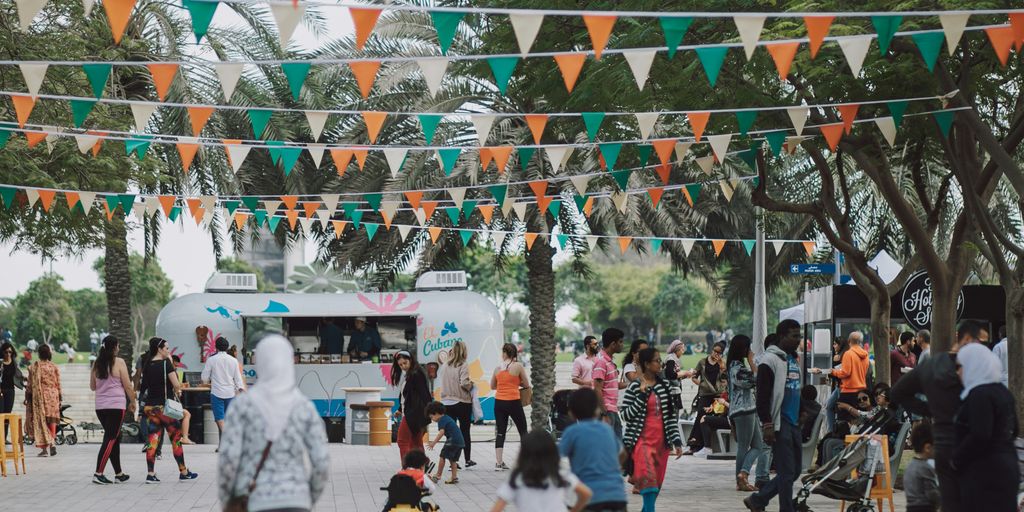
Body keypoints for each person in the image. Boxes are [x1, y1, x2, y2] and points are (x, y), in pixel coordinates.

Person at [218, 335, 329, 512]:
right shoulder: (304, 407)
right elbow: (321, 462)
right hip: (297, 501)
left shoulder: (242, 406)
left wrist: (228, 501)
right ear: (290, 361)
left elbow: (228, 461)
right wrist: (308, 498)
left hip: (255, 501)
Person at [891, 320, 984, 512]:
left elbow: (897, 393)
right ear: (966, 339)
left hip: (943, 442)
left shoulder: (931, 366)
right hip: (970, 442)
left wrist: (929, 408)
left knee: (950, 500)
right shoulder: (974, 369)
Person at [743, 319, 803, 512]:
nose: (798, 340)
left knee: (795, 471)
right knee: (786, 473)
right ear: (782, 336)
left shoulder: (791, 359)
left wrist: (802, 413)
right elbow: (762, 396)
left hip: (794, 423)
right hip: (779, 422)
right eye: (794, 336)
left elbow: (795, 390)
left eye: (799, 335)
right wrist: (767, 423)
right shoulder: (769, 361)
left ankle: (758, 500)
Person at [952, 342, 1019, 510]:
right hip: (1007, 467)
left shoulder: (980, 395)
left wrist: (956, 458)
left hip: (985, 473)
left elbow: (980, 434)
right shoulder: (1002, 392)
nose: (958, 371)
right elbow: (1014, 429)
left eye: (960, 366)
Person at [620, 348, 683, 512]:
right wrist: (641, 396)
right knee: (649, 485)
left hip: (662, 444)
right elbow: (625, 415)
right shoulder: (634, 387)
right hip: (641, 443)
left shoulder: (665, 386)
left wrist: (676, 441)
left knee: (655, 487)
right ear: (647, 364)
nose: (660, 363)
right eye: (657, 360)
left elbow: (670, 417)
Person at [139, 337, 198, 483]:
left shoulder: (147, 364)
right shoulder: (166, 363)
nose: (168, 350)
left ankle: (151, 474)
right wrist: (178, 391)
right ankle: (183, 471)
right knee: (176, 439)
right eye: (166, 348)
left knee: (152, 440)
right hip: (165, 408)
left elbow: (143, 387)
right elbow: (176, 384)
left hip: (150, 407)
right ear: (159, 349)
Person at [560, 388, 627, 512]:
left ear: (571, 413)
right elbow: (622, 454)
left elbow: (556, 458)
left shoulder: (572, 432)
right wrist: (613, 468)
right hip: (617, 494)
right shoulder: (606, 429)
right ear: (597, 411)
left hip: (591, 497)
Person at [491, 430, 592, 512]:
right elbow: (586, 493)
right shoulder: (559, 473)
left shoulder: (517, 477)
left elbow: (497, 508)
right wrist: (575, 509)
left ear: (523, 453)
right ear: (552, 452)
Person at [90, 335, 136, 484]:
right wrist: (133, 401)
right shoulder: (119, 362)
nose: (119, 348)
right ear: (115, 347)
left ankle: (119, 473)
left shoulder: (97, 363)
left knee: (114, 439)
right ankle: (98, 473)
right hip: (116, 406)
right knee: (110, 438)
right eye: (118, 345)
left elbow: (92, 386)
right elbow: (128, 385)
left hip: (101, 407)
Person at [727, 335, 769, 491]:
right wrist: (752, 361)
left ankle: (742, 474)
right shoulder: (736, 367)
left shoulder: (734, 366)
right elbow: (756, 379)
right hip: (743, 410)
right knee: (744, 447)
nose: (750, 351)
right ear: (742, 349)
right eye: (748, 348)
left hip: (747, 409)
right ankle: (741, 480)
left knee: (758, 445)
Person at [491, 343, 530, 470]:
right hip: (513, 401)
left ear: (505, 353)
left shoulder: (497, 368)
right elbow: (526, 383)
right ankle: (525, 460)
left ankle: (498, 462)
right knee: (522, 430)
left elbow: (492, 386)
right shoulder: (518, 366)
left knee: (500, 432)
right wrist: (515, 383)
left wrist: (503, 385)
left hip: (499, 402)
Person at [202, 336, 246, 449]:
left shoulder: (211, 360)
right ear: (227, 347)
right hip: (230, 393)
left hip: (216, 393)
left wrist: (208, 379)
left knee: (219, 419)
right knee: (227, 419)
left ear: (216, 347)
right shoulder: (233, 360)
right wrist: (241, 390)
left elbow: (204, 378)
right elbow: (238, 378)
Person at [391, 350, 431, 465]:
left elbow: (424, 394)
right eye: (400, 364)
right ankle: (423, 465)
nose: (403, 366)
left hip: (413, 414)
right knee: (416, 442)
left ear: (411, 360)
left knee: (402, 441)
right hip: (413, 413)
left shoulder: (416, 374)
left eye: (405, 363)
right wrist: (400, 409)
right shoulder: (412, 373)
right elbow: (407, 395)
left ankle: (407, 468)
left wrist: (430, 412)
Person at [439, 341, 475, 468]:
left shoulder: (444, 365)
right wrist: (472, 385)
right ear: (464, 351)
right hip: (462, 402)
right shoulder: (463, 365)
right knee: (465, 431)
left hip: (446, 403)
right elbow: (464, 383)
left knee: (451, 433)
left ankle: (453, 461)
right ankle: (467, 459)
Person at [687, 340, 726, 454]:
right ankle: (694, 445)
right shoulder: (702, 362)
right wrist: (701, 384)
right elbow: (694, 377)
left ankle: (702, 445)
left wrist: (723, 368)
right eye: (715, 351)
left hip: (718, 396)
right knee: (700, 415)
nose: (716, 354)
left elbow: (725, 380)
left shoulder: (722, 363)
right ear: (712, 349)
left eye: (719, 353)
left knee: (709, 418)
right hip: (704, 395)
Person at [24, 344, 61, 457]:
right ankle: (52, 444)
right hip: (53, 395)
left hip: (41, 397)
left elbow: (30, 385)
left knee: (42, 422)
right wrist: (60, 398)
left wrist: (27, 397)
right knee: (52, 421)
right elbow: (58, 383)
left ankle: (45, 449)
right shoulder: (54, 366)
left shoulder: (34, 367)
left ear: (39, 354)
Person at [820, 331, 869, 413]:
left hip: (848, 391)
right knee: (859, 417)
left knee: (843, 420)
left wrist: (833, 372)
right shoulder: (866, 355)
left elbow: (845, 372)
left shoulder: (848, 354)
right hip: (862, 391)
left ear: (849, 341)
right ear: (860, 342)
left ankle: (832, 426)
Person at [593, 328, 626, 438]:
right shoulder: (601, 361)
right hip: (607, 410)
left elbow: (612, 385)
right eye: (620, 342)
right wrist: (604, 414)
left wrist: (632, 383)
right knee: (609, 448)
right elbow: (597, 389)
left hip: (612, 409)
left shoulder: (609, 361)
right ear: (613, 344)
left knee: (618, 448)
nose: (622, 344)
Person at [904, 422, 940, 512]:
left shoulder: (910, 466)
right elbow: (931, 493)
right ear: (927, 447)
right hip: (924, 508)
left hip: (911, 507)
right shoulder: (926, 468)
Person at [425, 401, 464, 484]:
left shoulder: (441, 420)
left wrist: (433, 443)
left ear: (436, 413)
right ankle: (454, 477)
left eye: (431, 417)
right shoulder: (447, 418)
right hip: (460, 441)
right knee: (452, 460)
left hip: (452, 440)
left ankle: (438, 475)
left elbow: (441, 432)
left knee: (442, 456)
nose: (432, 420)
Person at [1, 341, 25, 442]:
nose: (8, 354)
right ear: (2, 352)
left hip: (10, 391)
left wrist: (25, 379)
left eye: (10, 352)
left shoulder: (13, 362)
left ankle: (4, 438)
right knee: (1, 414)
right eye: (6, 352)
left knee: (7, 414)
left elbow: (17, 374)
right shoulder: (0, 363)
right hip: (1, 391)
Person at [663, 339, 695, 411]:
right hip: (671, 393)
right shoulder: (670, 359)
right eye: (682, 350)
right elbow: (670, 375)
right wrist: (684, 372)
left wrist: (687, 374)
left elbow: (675, 376)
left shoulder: (674, 359)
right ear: (677, 350)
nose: (683, 352)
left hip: (675, 392)